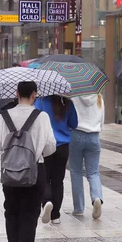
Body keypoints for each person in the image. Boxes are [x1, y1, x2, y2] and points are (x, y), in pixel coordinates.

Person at [0, 81, 56, 242]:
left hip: (10, 170)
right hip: (35, 170)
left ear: (17, 93)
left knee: (11, 210)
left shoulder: (5, 116)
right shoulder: (42, 117)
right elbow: (51, 146)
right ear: (35, 94)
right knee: (29, 214)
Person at [35, 95, 78, 224]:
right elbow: (74, 124)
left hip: (47, 144)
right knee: (58, 181)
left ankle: (47, 201)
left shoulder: (41, 101)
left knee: (45, 178)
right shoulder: (67, 103)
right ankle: (56, 215)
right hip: (63, 146)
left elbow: (36, 121)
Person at [69, 94, 105, 219]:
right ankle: (97, 198)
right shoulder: (99, 97)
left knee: (76, 172)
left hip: (76, 134)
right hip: (94, 136)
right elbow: (102, 121)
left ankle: (78, 208)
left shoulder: (74, 97)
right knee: (94, 172)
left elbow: (70, 117)